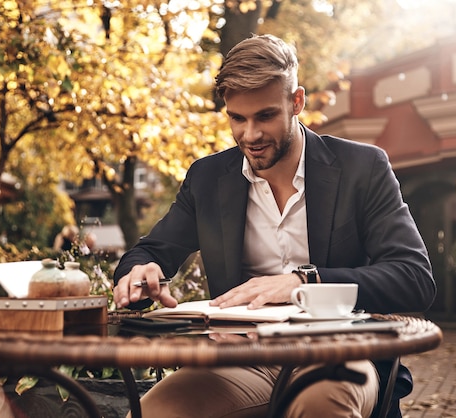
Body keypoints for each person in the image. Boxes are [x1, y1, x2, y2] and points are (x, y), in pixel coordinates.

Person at [113, 34, 436, 418]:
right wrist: (140, 272)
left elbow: (415, 278)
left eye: (265, 116)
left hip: (339, 354)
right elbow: (150, 251)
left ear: (296, 102)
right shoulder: (207, 178)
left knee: (321, 406)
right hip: (240, 359)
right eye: (237, 118)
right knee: (152, 411)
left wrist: (306, 281)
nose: (250, 135)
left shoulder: (362, 168)